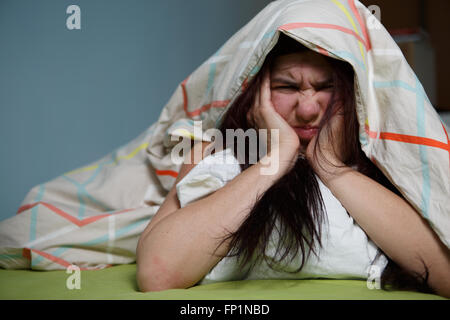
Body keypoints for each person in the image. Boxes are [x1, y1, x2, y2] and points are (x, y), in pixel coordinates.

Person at [136, 34, 450, 297]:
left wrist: (328, 165)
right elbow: (159, 274)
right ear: (255, 95)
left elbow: (444, 274)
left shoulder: (381, 162)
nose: (308, 109)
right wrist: (277, 158)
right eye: (287, 87)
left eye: (326, 86)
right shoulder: (217, 152)